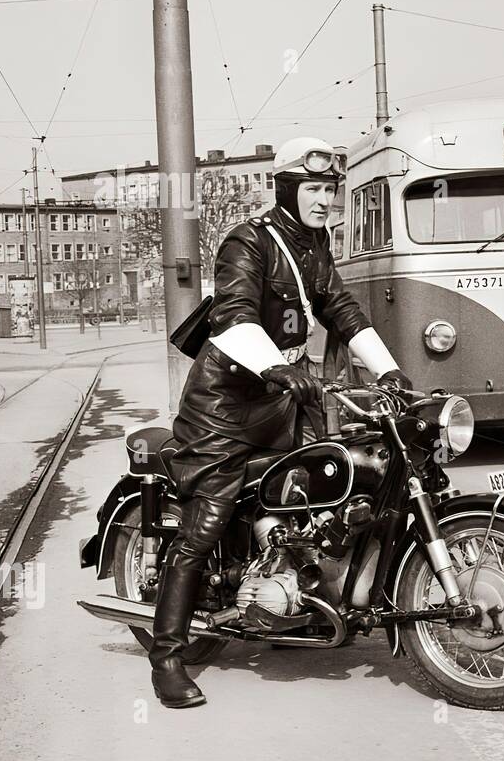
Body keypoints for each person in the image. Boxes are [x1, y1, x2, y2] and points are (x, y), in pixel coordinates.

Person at [149, 138, 406, 710]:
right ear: (288, 189)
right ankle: (167, 656)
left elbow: (341, 309)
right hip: (226, 406)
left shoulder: (314, 243)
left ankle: (292, 599)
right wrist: (273, 367)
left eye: (331, 191)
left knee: (320, 496)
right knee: (205, 526)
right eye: (315, 189)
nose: (326, 200)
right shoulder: (249, 242)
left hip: (285, 397)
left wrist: (390, 372)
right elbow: (232, 315)